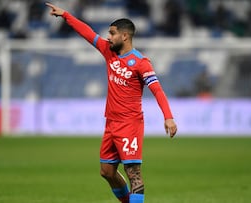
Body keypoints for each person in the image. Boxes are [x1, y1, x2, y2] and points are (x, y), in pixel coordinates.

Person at [46, 2, 177, 203]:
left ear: (124, 36)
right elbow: (87, 33)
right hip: (111, 123)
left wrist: (168, 117)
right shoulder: (109, 52)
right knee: (106, 171)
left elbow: (157, 90)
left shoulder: (141, 63)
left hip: (130, 124)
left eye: (112, 33)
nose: (108, 36)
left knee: (133, 172)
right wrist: (65, 15)